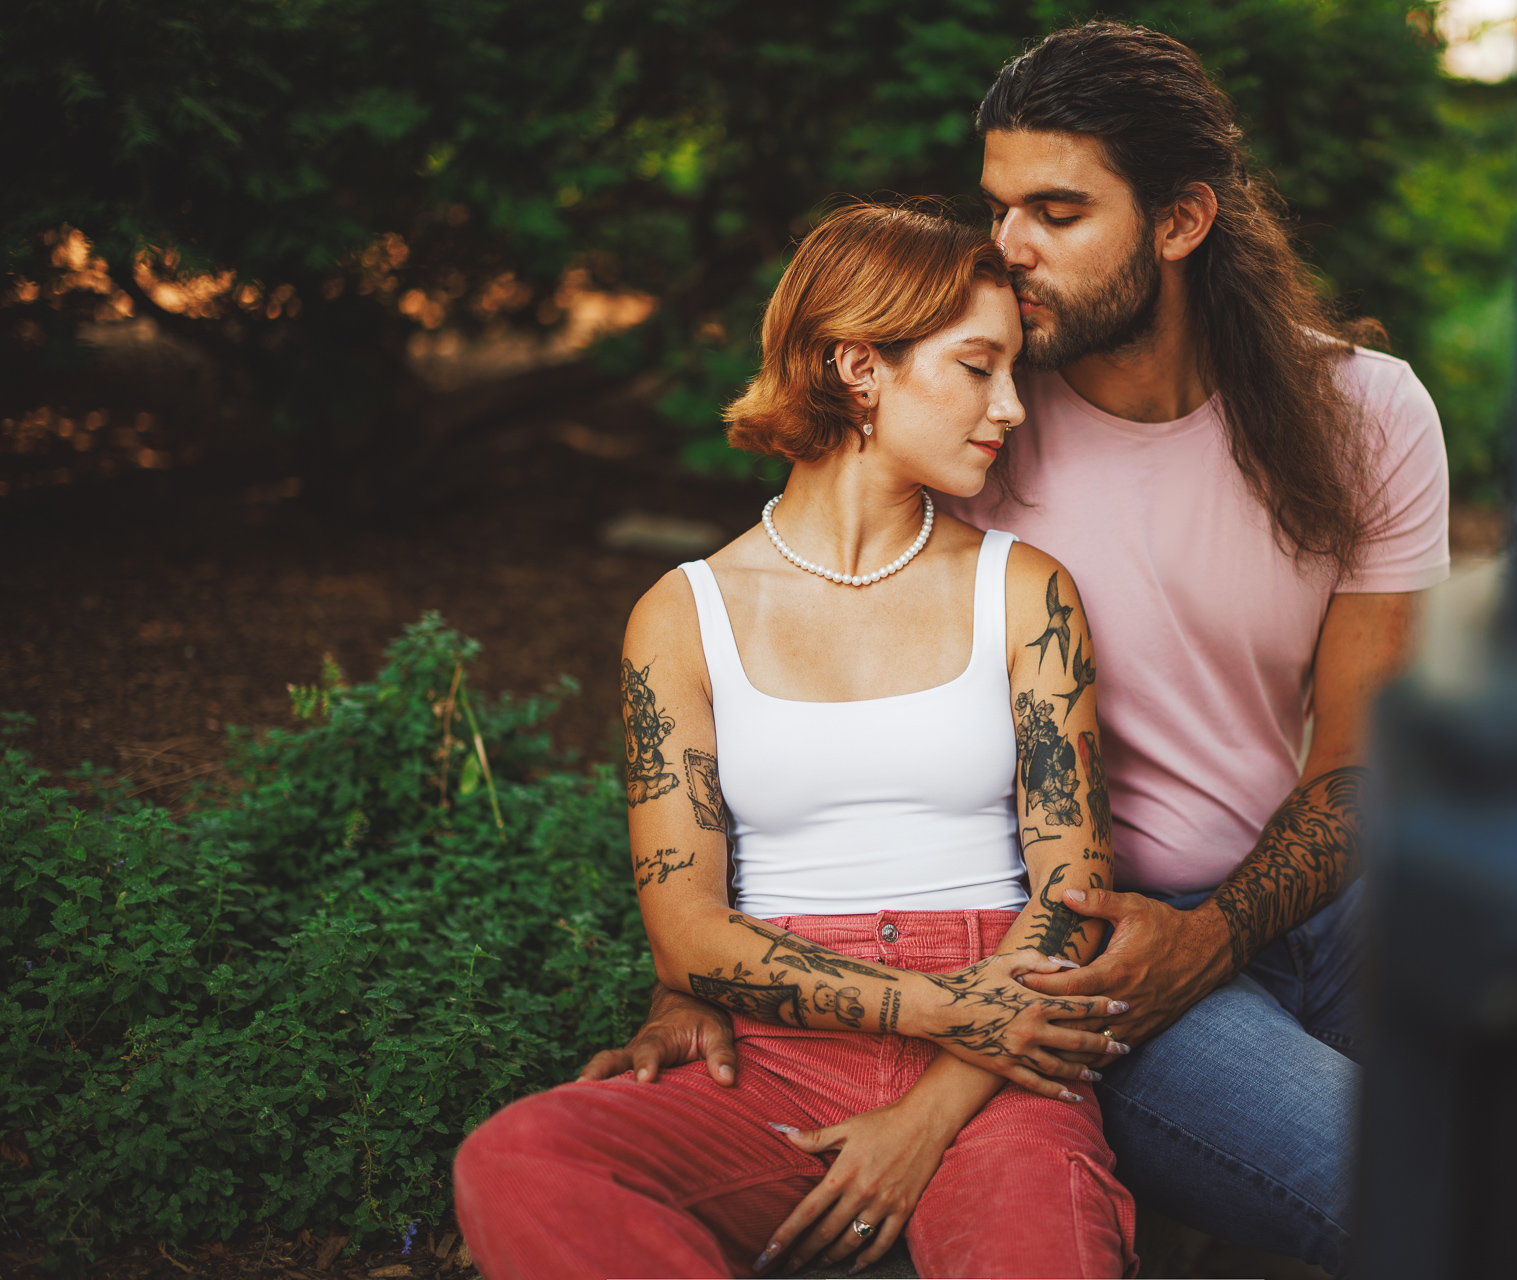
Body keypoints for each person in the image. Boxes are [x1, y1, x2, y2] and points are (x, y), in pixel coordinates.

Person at [583, 23, 1451, 1277]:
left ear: (1181, 221)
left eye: (1055, 210)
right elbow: (787, 645)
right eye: (998, 209)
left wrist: (1218, 935)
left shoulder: (1366, 412)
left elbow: (1361, 767)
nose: (1008, 250)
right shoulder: (980, 421)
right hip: (1090, 942)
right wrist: (701, 971)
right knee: (1421, 1192)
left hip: (1308, 895)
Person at [453, 202, 1142, 1279]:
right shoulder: (683, 614)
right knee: (522, 1157)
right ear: (858, 366)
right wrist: (934, 1011)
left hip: (1003, 1036)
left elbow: (1072, 897)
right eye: (977, 367)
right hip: (775, 1051)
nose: (1011, 405)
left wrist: (934, 1101)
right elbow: (686, 936)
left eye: (1016, 370)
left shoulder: (1025, 592)